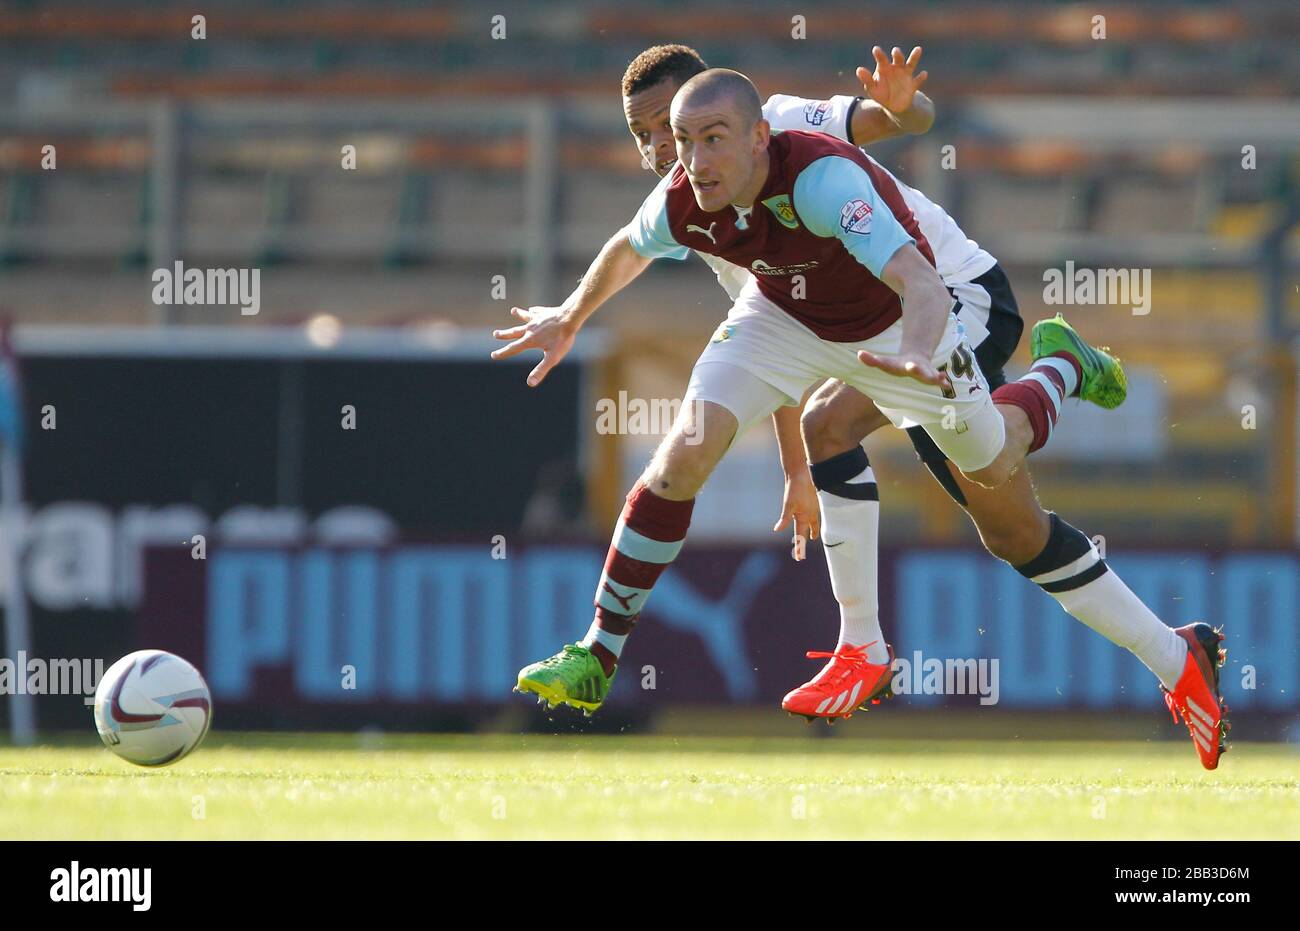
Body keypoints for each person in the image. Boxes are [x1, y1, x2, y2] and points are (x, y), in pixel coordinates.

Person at [494, 64, 1228, 770]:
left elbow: (911, 245)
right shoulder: (692, 194)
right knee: (697, 447)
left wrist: (913, 353)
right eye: (654, 135)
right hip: (801, 312)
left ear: (750, 130)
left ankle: (1062, 366)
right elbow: (634, 247)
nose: (669, 152)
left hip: (937, 304)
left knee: (1006, 509)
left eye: (686, 131)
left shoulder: (804, 156)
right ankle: (606, 650)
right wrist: (567, 315)